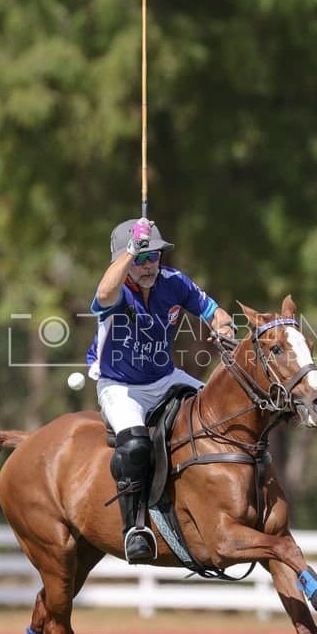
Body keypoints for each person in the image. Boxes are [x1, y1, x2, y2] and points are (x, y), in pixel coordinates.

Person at [87, 217, 234, 562]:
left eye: (154, 256)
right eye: (141, 258)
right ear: (123, 260)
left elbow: (214, 311)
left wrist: (224, 328)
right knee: (136, 445)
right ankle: (135, 528)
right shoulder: (118, 288)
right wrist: (130, 253)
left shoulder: (175, 282)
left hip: (164, 377)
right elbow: (102, 293)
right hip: (120, 385)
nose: (149, 264)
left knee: (220, 414)